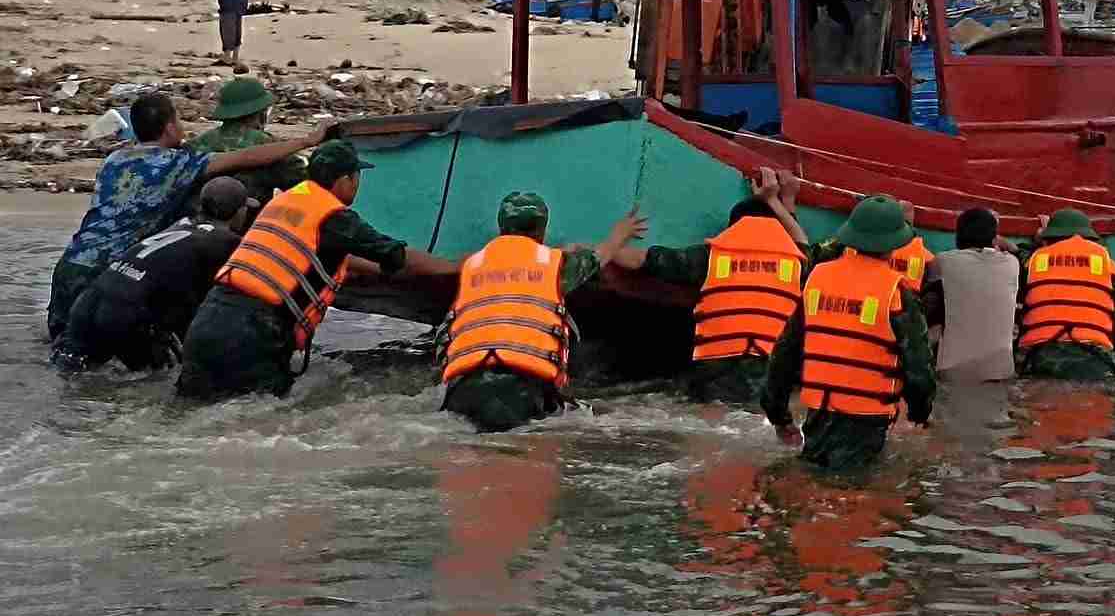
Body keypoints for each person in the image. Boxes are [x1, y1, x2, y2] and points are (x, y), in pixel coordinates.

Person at [176, 139, 462, 401]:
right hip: (251, 333)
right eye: (357, 177)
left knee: (193, 409)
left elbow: (326, 258)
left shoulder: (284, 202)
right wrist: (456, 267)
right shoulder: (333, 217)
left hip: (206, 322)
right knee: (257, 414)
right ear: (345, 179)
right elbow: (397, 256)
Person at [46, 92, 322, 339]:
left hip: (71, 264)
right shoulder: (177, 163)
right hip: (114, 274)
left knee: (65, 352)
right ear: (169, 127)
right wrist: (307, 140)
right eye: (178, 120)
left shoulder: (115, 159)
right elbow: (247, 157)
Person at [438, 193, 646, 432]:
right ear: (542, 231)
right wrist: (621, 233)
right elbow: (601, 256)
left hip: (464, 390)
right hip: (522, 391)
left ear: (501, 227)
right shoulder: (556, 266)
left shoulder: (471, 266)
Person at [760, 194, 936, 472]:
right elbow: (918, 367)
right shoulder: (897, 293)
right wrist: (919, 414)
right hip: (868, 421)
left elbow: (785, 352)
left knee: (814, 474)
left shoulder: (818, 277)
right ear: (896, 243)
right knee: (855, 485)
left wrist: (779, 416)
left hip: (819, 415)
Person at [624, 169, 815, 403]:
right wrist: (783, 201)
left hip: (716, 371)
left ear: (732, 228)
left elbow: (639, 260)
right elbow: (800, 242)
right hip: (766, 373)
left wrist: (604, 249)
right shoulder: (794, 262)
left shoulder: (712, 256)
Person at [53, 177, 254, 373]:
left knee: (73, 372)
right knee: (154, 379)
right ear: (239, 211)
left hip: (88, 300)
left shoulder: (180, 225)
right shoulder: (228, 242)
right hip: (124, 312)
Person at [1013, 208, 1115, 380]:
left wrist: (1036, 243)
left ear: (1048, 239)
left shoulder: (1036, 261)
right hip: (1093, 357)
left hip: (1043, 355)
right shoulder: (1103, 263)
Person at [925, 206, 1020, 381]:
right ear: (994, 239)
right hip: (1002, 373)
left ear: (958, 237)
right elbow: (1015, 250)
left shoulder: (944, 261)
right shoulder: (1012, 264)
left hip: (953, 374)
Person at [187, 77, 305, 206]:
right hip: (249, 216)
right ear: (261, 114)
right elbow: (302, 182)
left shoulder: (196, 144)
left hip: (195, 215)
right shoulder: (270, 147)